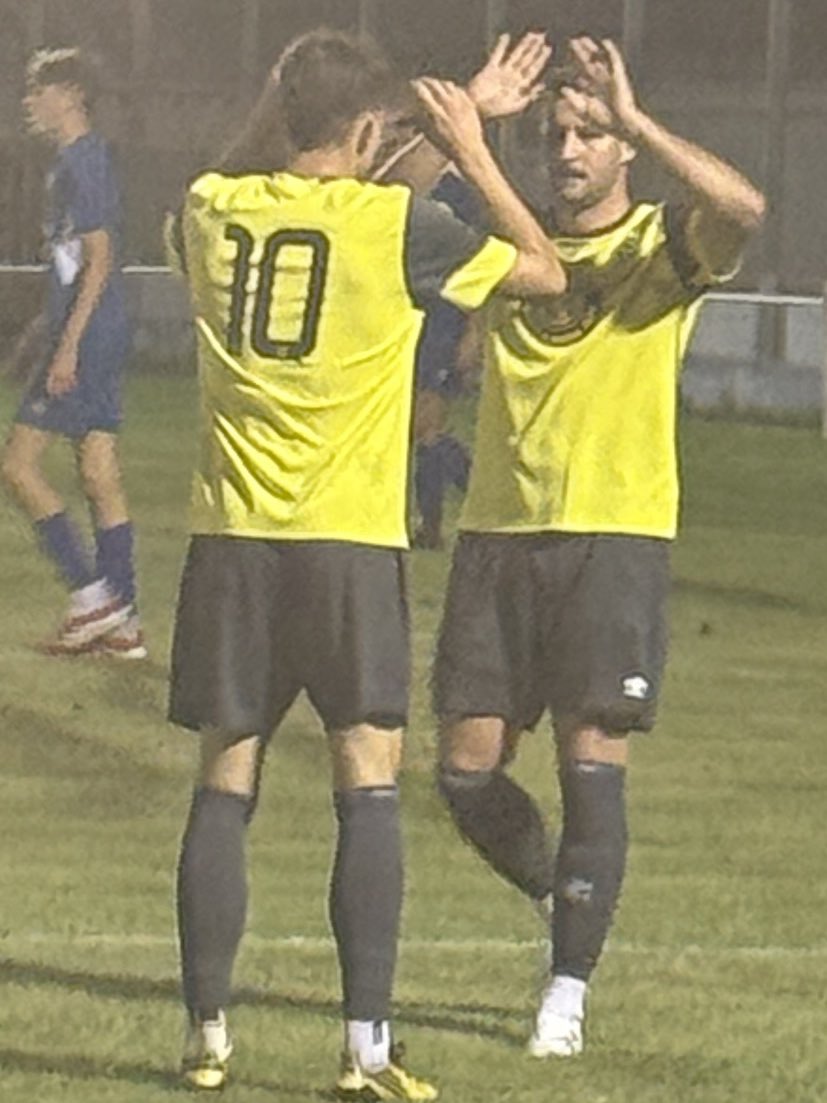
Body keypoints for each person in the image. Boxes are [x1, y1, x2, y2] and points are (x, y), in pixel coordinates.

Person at [167, 29, 563, 1099]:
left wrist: (317, 109)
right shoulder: (398, 226)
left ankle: (206, 1036)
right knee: (367, 784)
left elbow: (272, 162)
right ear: (365, 133)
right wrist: (471, 146)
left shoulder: (210, 208)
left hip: (234, 539)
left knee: (224, 778)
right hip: (345, 544)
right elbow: (538, 267)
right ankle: (364, 1049)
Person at [432, 37, 766, 1058]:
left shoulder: (659, 247)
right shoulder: (504, 238)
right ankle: (562, 891)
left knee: (590, 765)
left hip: (611, 536)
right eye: (557, 134)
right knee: (461, 768)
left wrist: (640, 121)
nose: (568, 150)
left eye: (587, 135)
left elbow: (744, 208)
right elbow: (385, 184)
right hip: (495, 533)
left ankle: (564, 987)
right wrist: (471, 120)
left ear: (617, 152)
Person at [1, 47, 143, 658]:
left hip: (89, 336)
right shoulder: (74, 162)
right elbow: (70, 263)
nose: (30, 102)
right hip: (95, 331)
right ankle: (126, 623)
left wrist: (69, 346)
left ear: (70, 95)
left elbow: (100, 258)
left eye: (40, 91)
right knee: (97, 474)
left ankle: (92, 597)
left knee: (17, 466)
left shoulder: (84, 164)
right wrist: (47, 326)